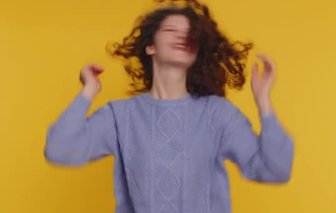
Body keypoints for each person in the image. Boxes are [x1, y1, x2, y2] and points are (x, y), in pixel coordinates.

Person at [44, 0, 295, 212]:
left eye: (188, 33)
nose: (182, 36)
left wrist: (263, 101)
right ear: (150, 47)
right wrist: (88, 91)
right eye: (170, 30)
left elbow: (276, 170)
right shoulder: (120, 116)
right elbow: (59, 150)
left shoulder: (217, 114)